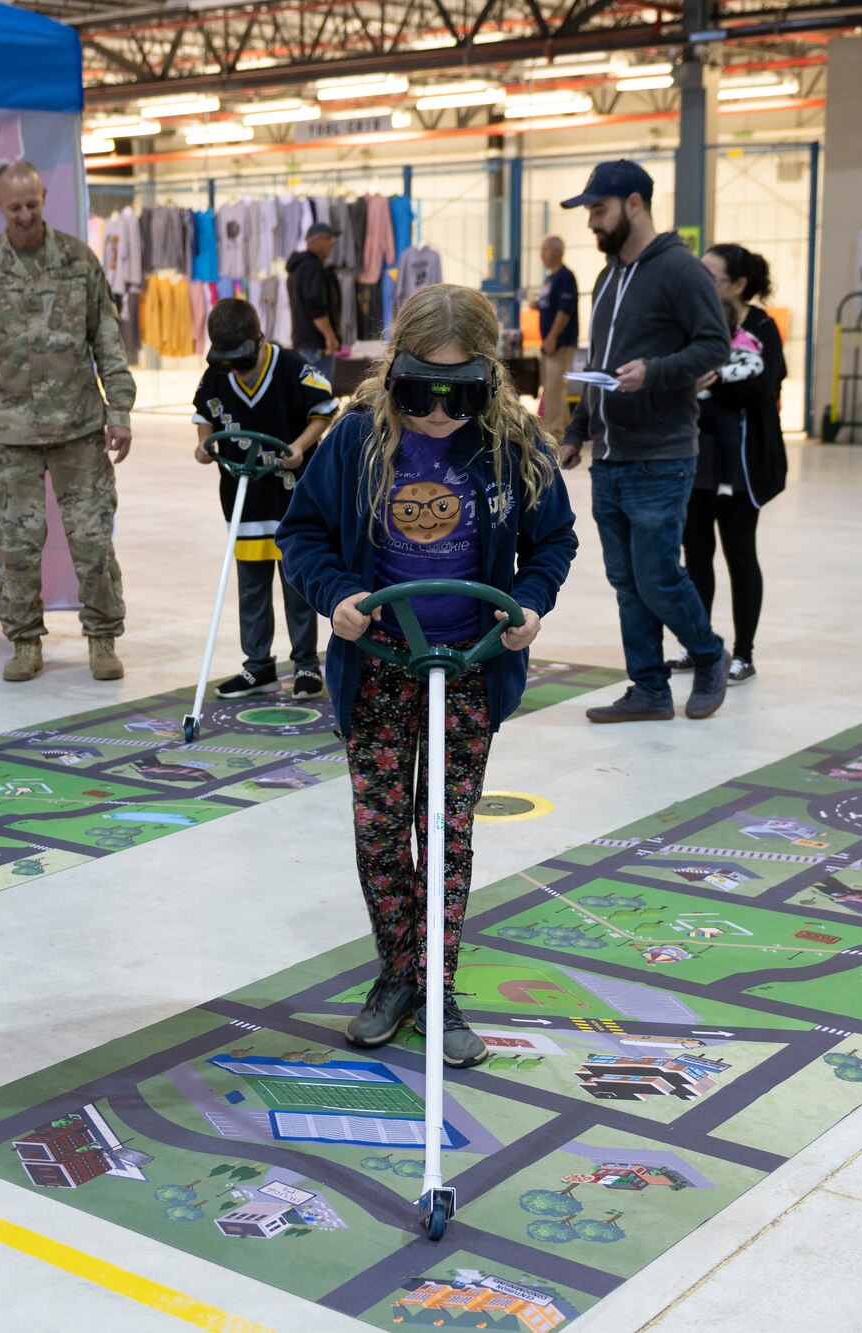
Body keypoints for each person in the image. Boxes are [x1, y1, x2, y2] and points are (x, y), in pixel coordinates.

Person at [278, 284, 578, 1067]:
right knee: (382, 833)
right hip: (379, 665)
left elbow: (554, 541)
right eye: (420, 395)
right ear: (391, 372)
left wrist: (530, 603)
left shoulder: (515, 444)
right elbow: (302, 534)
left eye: (461, 396)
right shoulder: (353, 440)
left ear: (491, 380)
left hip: (470, 669)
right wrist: (335, 594)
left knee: (445, 832)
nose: (441, 415)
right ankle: (396, 974)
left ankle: (437, 986)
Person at [0, 160, 136, 684]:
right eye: (15, 208)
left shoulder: (78, 261)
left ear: (44, 197)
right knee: (17, 546)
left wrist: (118, 409)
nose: (25, 215)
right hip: (10, 434)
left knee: (93, 540)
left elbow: (107, 339)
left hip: (79, 429)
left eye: (33, 205)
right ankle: (25, 642)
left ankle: (102, 637)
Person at [555, 160, 731, 724]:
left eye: (598, 211)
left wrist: (652, 372)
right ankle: (649, 689)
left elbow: (713, 347)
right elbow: (599, 365)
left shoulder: (680, 271)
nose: (591, 224)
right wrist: (578, 430)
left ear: (634, 203)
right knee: (627, 582)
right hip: (609, 455)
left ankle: (708, 655)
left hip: (661, 454)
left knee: (657, 576)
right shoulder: (606, 278)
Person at [191, 297, 337, 699]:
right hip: (243, 495)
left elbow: (324, 410)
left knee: (296, 583)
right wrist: (204, 446)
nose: (236, 368)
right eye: (228, 361)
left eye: (242, 359)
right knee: (251, 585)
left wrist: (300, 446)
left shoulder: (291, 366)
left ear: (259, 339)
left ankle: (306, 665)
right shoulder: (217, 373)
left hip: (292, 498)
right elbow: (204, 414)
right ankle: (258, 667)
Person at [672, 244, 787, 685]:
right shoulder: (695, 323)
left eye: (712, 276)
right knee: (695, 556)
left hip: (741, 465)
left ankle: (743, 653)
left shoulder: (762, 327)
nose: (703, 283)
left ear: (738, 285)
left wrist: (714, 380)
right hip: (695, 458)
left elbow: (763, 388)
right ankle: (699, 644)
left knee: (740, 555)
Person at [285, 222, 345, 383]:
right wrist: (330, 336)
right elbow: (315, 307)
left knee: (306, 395)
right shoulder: (312, 267)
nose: (332, 245)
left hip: (303, 342)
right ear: (318, 240)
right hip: (316, 345)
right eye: (329, 240)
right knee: (320, 395)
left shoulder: (297, 268)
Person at [534, 235, 578, 437]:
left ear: (557, 252)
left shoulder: (565, 277)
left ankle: (553, 433)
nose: (541, 255)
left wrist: (552, 337)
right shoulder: (550, 278)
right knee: (555, 387)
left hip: (559, 342)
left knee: (552, 388)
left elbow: (564, 311)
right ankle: (565, 428)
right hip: (548, 343)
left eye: (545, 250)